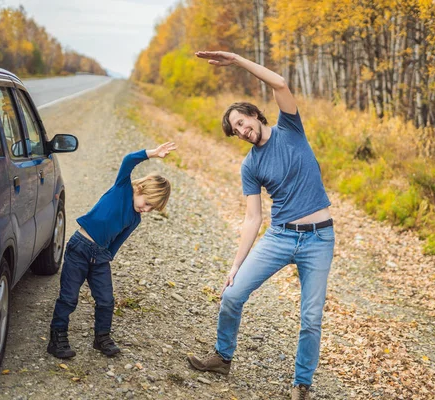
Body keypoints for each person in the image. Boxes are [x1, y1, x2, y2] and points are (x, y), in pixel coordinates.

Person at [187, 51, 334, 400]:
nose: (242, 130)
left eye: (243, 122)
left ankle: (302, 385)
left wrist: (237, 61)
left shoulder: (290, 128)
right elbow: (253, 217)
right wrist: (235, 265)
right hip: (280, 236)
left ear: (254, 113)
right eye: (236, 130)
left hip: (318, 238)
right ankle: (222, 357)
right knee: (233, 294)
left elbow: (280, 83)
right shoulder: (249, 166)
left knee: (311, 317)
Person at [47, 142, 177, 359]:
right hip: (79, 248)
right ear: (140, 189)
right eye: (146, 203)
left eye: (151, 209)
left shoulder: (135, 219)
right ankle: (57, 336)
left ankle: (102, 337)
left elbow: (118, 242)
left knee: (106, 300)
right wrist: (151, 154)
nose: (145, 209)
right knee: (69, 298)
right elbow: (128, 160)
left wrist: (106, 257)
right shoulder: (123, 188)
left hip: (100, 258)